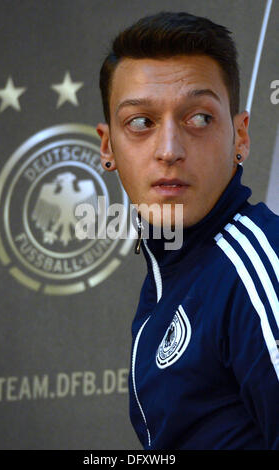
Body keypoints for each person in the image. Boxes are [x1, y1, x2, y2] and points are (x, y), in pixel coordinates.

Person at [96, 11, 279, 450]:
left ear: (240, 136)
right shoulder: (173, 280)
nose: (169, 150)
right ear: (108, 147)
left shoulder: (260, 262)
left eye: (199, 118)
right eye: (141, 123)